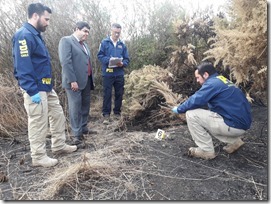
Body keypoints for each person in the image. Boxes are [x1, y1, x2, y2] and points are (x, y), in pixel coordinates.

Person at [12, 3, 77, 168]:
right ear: (35, 15)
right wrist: (31, 90)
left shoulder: (35, 35)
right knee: (38, 121)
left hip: (46, 87)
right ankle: (39, 156)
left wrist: (48, 86)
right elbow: (22, 67)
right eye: (46, 19)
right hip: (35, 88)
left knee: (58, 114)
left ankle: (59, 146)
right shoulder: (23, 35)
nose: (48, 22)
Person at [171, 62, 252, 160]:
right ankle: (234, 142)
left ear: (205, 74)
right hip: (241, 124)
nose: (197, 81)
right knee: (211, 117)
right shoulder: (221, 80)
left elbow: (196, 99)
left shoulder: (212, 83)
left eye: (198, 77)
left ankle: (206, 151)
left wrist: (179, 109)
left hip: (234, 125)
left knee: (191, 114)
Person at [58, 21, 96, 145]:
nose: (87, 34)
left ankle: (84, 128)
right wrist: (72, 80)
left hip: (86, 81)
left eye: (88, 32)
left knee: (85, 105)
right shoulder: (66, 41)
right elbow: (66, 62)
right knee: (75, 108)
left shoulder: (84, 45)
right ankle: (76, 134)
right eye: (85, 31)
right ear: (76, 29)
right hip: (74, 82)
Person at [97, 23, 130, 125]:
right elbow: (100, 56)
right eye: (115, 32)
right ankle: (106, 115)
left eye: (119, 33)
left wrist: (122, 63)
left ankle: (117, 113)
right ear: (111, 31)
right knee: (107, 94)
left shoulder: (122, 44)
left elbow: (127, 59)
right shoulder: (104, 42)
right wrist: (109, 60)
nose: (117, 34)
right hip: (108, 73)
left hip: (119, 73)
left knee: (119, 93)